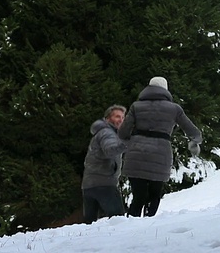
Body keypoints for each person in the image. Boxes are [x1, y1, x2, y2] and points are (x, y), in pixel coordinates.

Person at [118, 76, 202, 217]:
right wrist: (194, 142)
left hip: (136, 153)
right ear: (165, 89)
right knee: (154, 195)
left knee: (138, 196)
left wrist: (130, 142)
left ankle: (130, 227)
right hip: (160, 154)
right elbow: (192, 130)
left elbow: (123, 132)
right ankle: (149, 224)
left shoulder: (136, 106)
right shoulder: (174, 109)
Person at [81, 105, 128, 223]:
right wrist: (128, 143)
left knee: (89, 225)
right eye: (117, 116)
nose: (121, 120)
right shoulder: (107, 133)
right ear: (107, 119)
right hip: (104, 184)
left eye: (123, 117)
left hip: (89, 185)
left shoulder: (101, 132)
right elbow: (110, 150)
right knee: (119, 222)